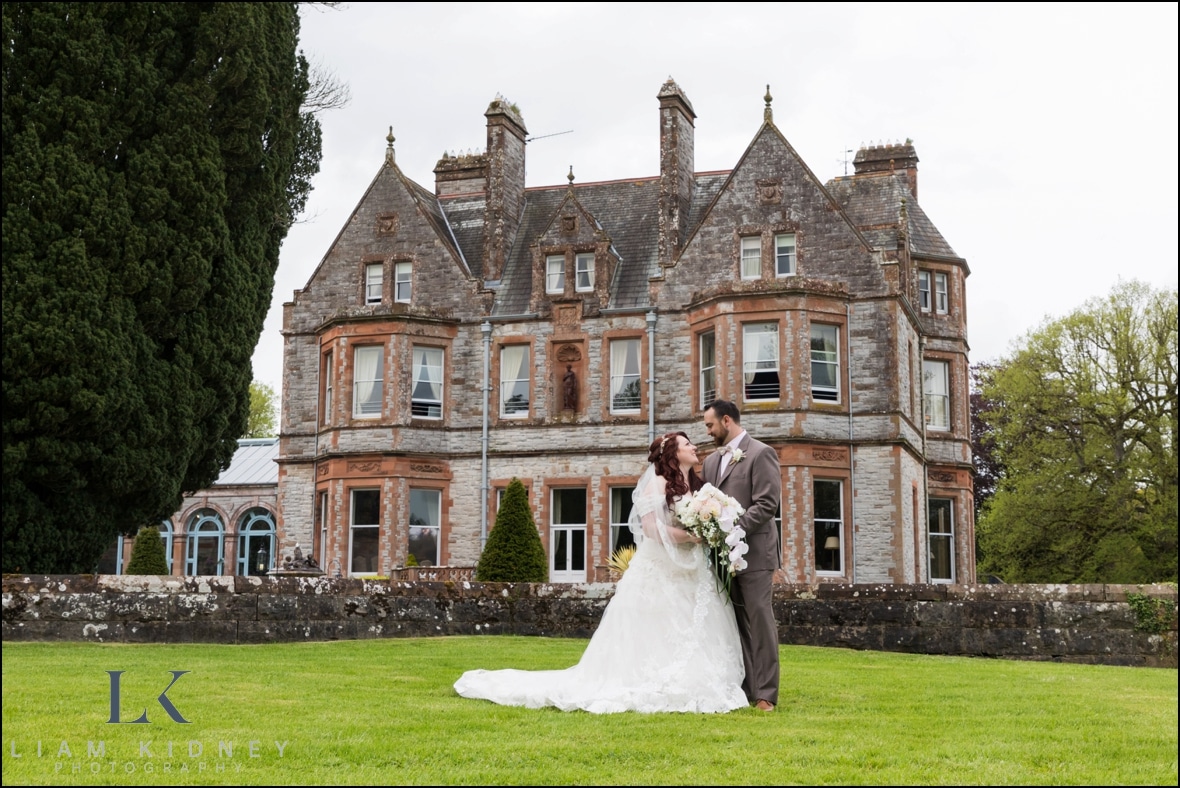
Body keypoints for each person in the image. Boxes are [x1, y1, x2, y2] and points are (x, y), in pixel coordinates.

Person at [453, 431, 747, 714]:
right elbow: (649, 528)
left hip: (692, 567)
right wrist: (690, 537)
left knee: (695, 621)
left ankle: (698, 678)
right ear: (672, 452)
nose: (694, 447)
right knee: (658, 624)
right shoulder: (655, 483)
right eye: (687, 443)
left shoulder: (696, 485)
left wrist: (708, 527)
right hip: (661, 567)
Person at [701, 399, 782, 712]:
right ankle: (749, 688)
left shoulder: (761, 454)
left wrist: (734, 530)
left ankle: (767, 695)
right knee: (737, 624)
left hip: (756, 554)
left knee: (760, 620)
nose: (707, 432)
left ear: (725, 421)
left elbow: (766, 504)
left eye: (709, 425)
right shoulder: (709, 462)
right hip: (723, 557)